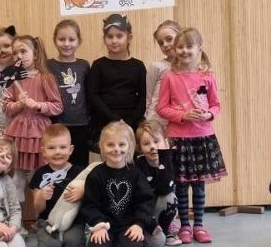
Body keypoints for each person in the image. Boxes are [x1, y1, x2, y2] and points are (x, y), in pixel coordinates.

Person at [157, 27, 227, 244]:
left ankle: (199, 225)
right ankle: (184, 226)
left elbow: (216, 105)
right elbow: (162, 108)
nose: (184, 51)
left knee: (198, 184)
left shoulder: (207, 76)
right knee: (180, 184)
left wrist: (208, 114)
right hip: (178, 138)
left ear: (199, 48)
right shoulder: (170, 77)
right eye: (180, 47)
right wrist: (183, 115)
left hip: (202, 137)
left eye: (189, 46)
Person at [81, 121, 165, 247]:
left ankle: (119, 242)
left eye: (121, 145)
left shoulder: (136, 174)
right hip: (104, 225)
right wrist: (99, 225)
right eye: (110, 145)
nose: (116, 149)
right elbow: (89, 205)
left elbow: (145, 202)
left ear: (129, 146)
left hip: (129, 225)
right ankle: (110, 241)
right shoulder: (95, 175)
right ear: (102, 146)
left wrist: (139, 225)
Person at [2, 35, 63, 202]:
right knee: (16, 180)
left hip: (40, 134)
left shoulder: (46, 77)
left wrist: (37, 105)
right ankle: (16, 217)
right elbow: (6, 108)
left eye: (23, 51)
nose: (19, 56)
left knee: (41, 181)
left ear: (35, 54)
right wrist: (19, 104)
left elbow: (57, 106)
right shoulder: (12, 79)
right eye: (15, 53)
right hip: (17, 134)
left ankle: (41, 216)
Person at [87, 13, 146, 152]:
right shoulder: (98, 65)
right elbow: (93, 96)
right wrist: (114, 119)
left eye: (119, 36)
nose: (114, 40)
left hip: (131, 123)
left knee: (129, 158)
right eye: (110, 36)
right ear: (104, 39)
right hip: (104, 122)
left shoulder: (138, 66)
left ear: (129, 38)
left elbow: (144, 97)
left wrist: (130, 122)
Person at [30, 124, 86, 247]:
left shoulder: (79, 172)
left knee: (75, 246)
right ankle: (53, 238)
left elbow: (90, 199)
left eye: (62, 147)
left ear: (71, 149)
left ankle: (66, 238)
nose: (57, 152)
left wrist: (82, 191)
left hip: (73, 221)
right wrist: (42, 196)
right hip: (47, 221)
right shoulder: (40, 174)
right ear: (44, 151)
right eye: (51, 148)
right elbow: (38, 208)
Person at [48, 19, 90, 167]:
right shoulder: (48, 65)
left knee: (79, 166)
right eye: (62, 39)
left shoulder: (84, 65)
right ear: (54, 40)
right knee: (57, 165)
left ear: (79, 41)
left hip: (81, 124)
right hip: (56, 124)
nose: (66, 44)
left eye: (71, 39)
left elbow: (88, 94)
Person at [135, 120, 181, 246]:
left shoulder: (169, 160)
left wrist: (164, 157)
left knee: (170, 197)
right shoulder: (139, 165)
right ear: (140, 147)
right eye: (146, 143)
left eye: (156, 142)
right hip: (146, 211)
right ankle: (149, 230)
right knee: (155, 243)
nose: (152, 147)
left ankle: (166, 229)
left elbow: (165, 189)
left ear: (165, 142)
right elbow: (141, 197)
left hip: (163, 208)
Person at [145, 19, 182, 126]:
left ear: (181, 37)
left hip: (179, 122)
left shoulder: (190, 68)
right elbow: (149, 98)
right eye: (161, 43)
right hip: (157, 123)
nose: (165, 44)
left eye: (169, 39)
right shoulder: (157, 66)